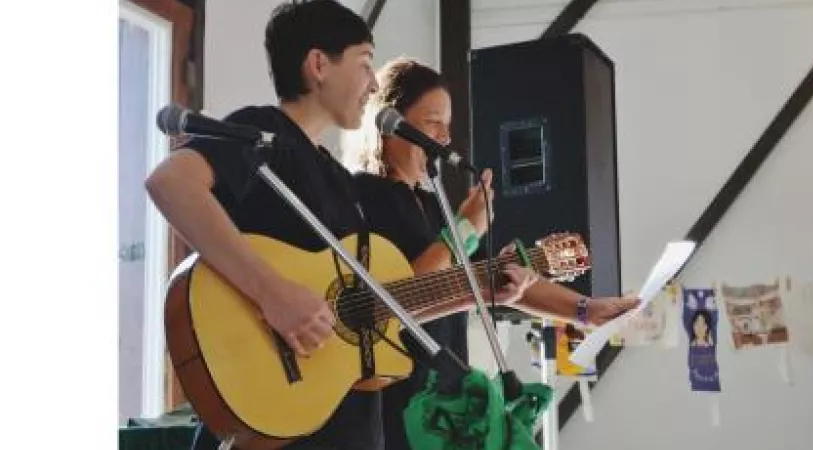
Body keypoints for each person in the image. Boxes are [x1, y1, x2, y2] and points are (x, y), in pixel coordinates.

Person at [144, 3, 536, 449]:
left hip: (345, 427)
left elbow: (371, 312)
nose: (373, 84)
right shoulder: (262, 134)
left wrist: (476, 291)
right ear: (318, 65)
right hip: (277, 422)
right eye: (365, 63)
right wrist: (272, 292)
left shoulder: (338, 179)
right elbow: (170, 183)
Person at [343, 56, 639, 450]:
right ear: (391, 121)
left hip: (450, 400)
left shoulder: (434, 206)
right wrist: (462, 231)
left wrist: (584, 310)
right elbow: (398, 295)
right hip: (399, 402)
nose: (444, 139)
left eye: (447, 127)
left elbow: (493, 279)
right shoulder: (364, 195)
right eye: (433, 123)